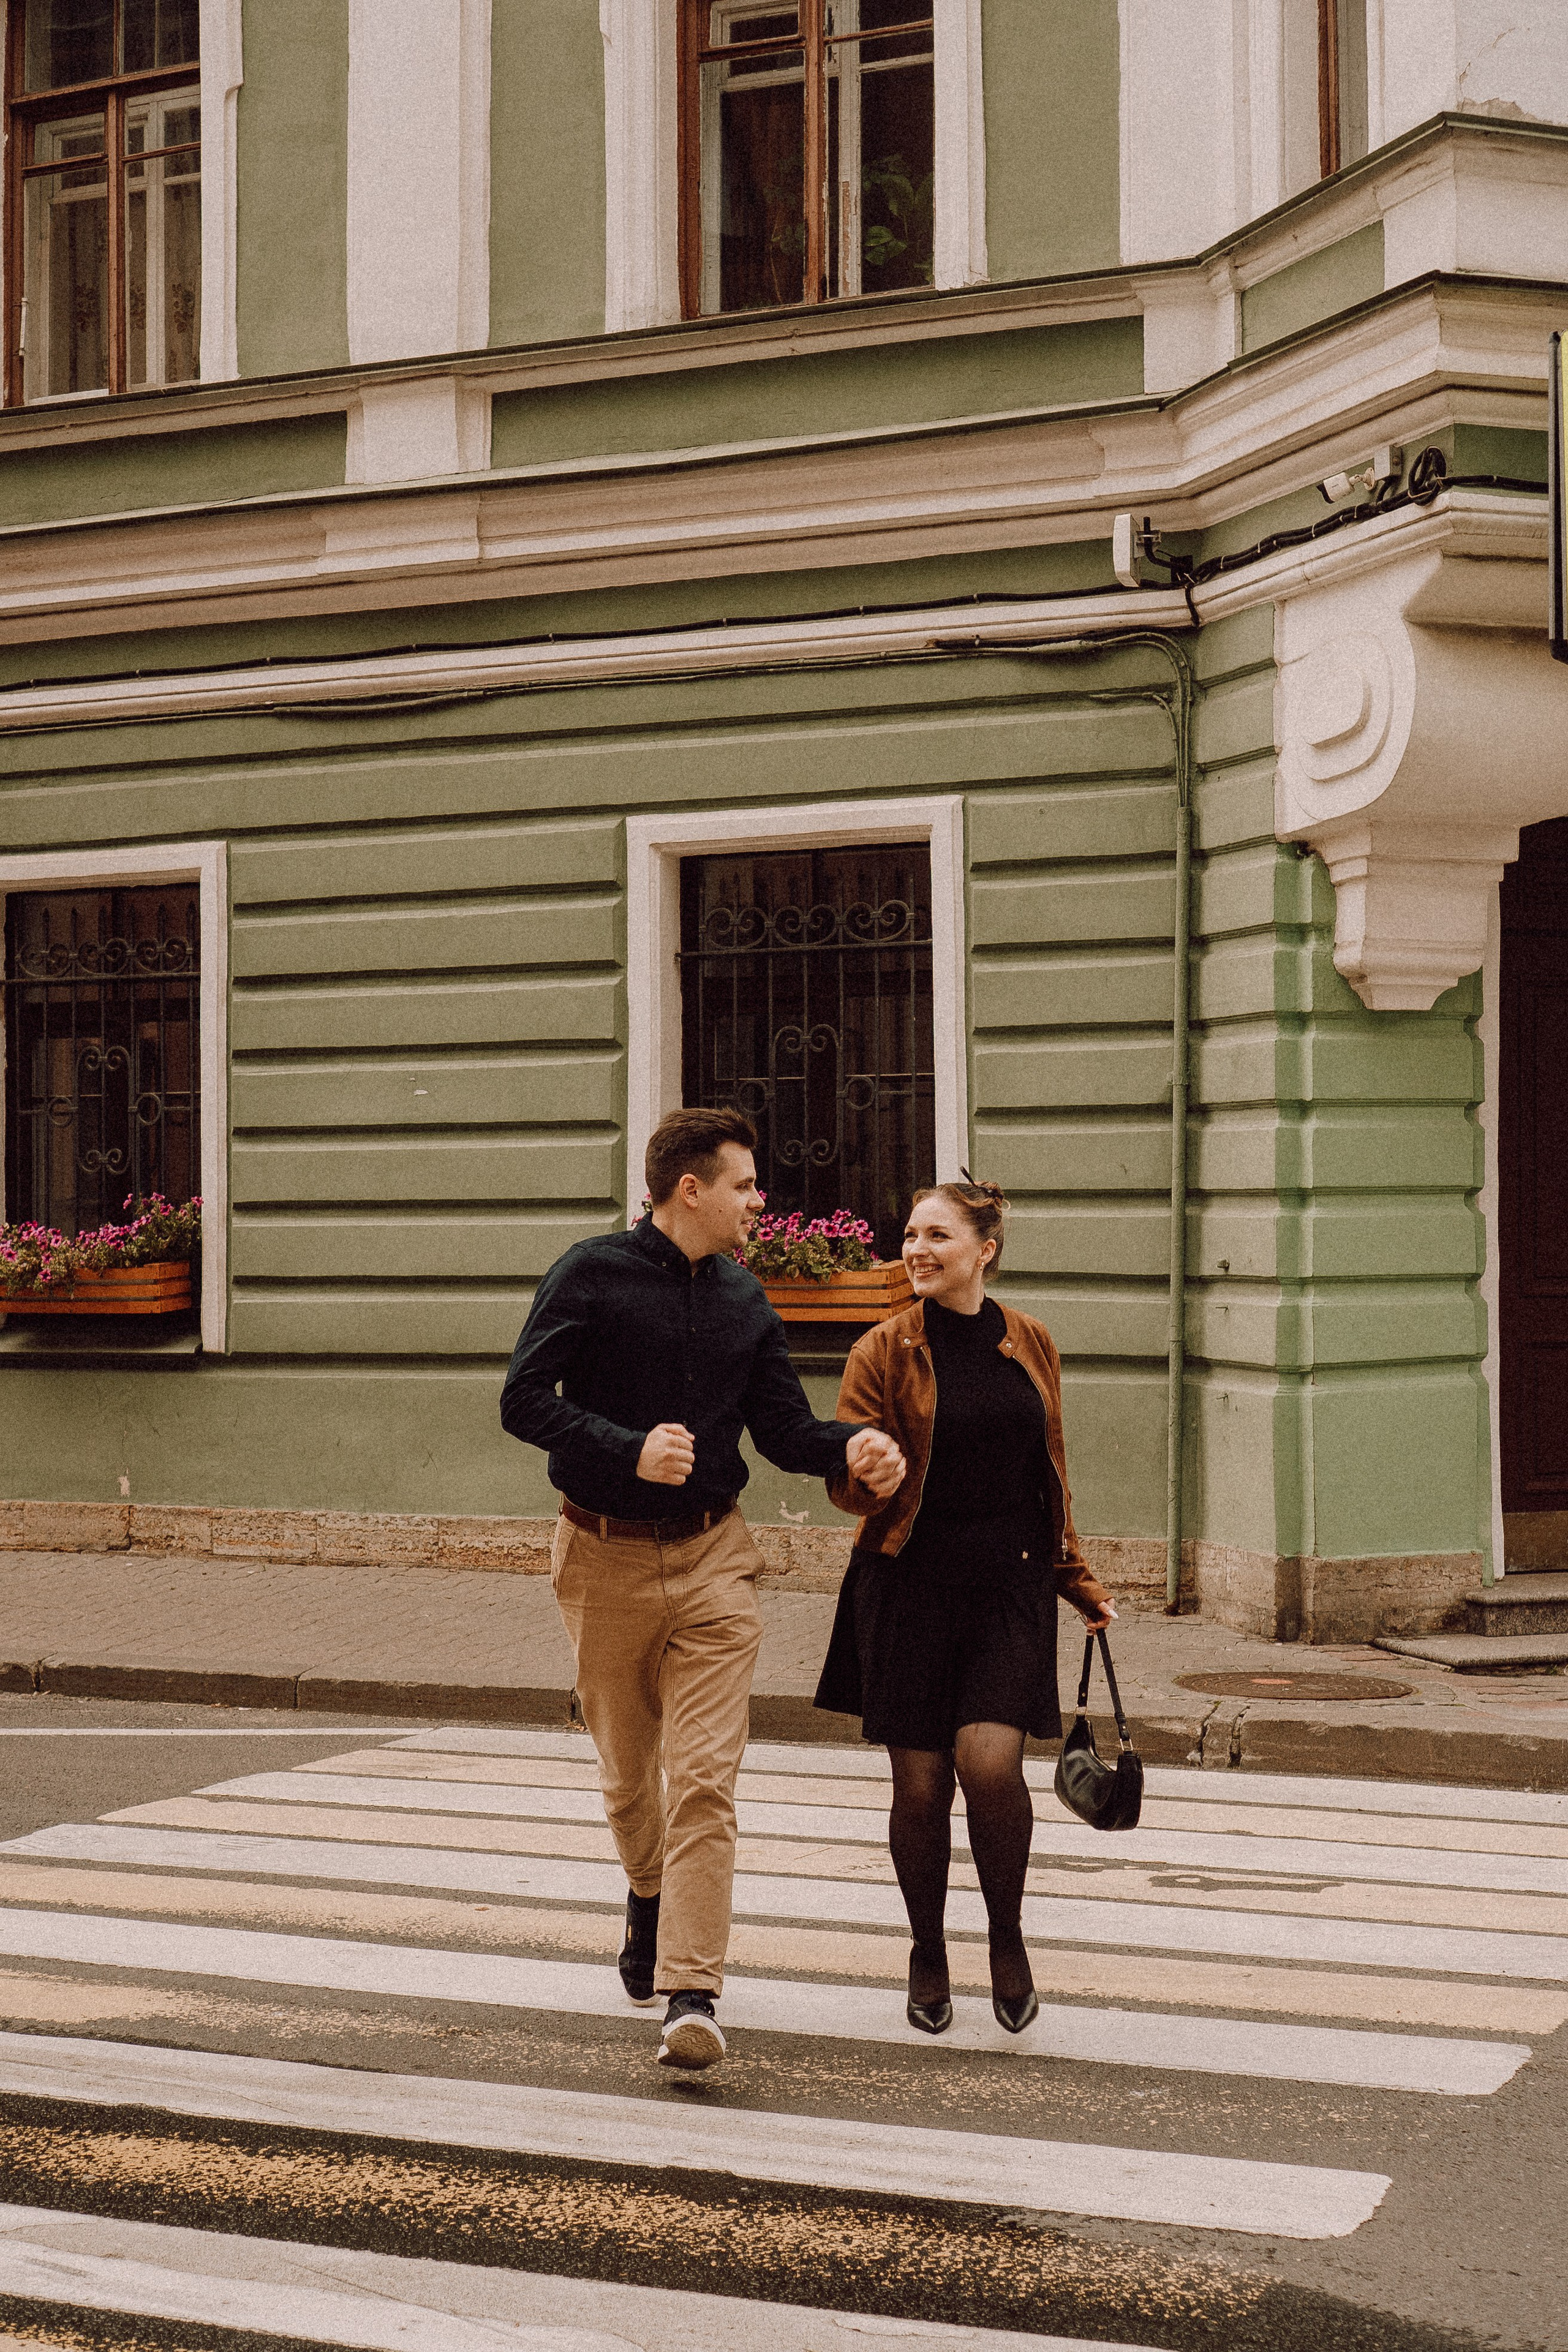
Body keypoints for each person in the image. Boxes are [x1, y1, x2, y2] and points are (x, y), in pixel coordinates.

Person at [499, 1106, 906, 2072]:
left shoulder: (743, 1299)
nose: (757, 1203)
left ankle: (693, 1990)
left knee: (707, 1782)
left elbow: (785, 1432)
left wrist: (856, 1445)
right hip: (602, 1559)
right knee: (628, 1779)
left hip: (718, 1561)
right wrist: (625, 1449)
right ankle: (647, 1892)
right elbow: (522, 1398)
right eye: (745, 1185)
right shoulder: (589, 1273)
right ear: (691, 1189)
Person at [814, 1176, 1115, 2036]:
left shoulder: (1031, 1342)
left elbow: (1047, 1469)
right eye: (910, 1235)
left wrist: (1077, 1576)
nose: (917, 1250)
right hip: (907, 1585)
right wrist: (863, 1472)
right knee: (920, 1784)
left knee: (989, 1767)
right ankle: (926, 1949)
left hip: (1009, 1587)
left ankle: (1008, 1939)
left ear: (983, 1251)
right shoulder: (881, 1349)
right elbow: (847, 1478)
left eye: (936, 1236)